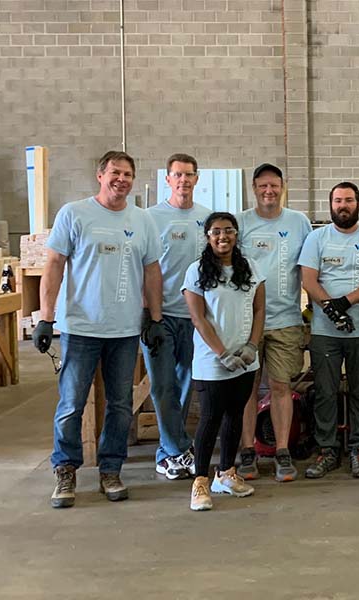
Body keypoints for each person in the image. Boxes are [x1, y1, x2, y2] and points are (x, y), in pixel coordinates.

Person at [35, 150, 163, 508]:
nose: (121, 180)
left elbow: (152, 270)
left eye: (128, 175)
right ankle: (65, 470)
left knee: (120, 405)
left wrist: (154, 318)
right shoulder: (74, 214)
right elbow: (54, 264)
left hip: (123, 330)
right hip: (81, 328)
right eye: (115, 173)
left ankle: (111, 469)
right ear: (100, 175)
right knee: (71, 403)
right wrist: (46, 317)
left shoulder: (142, 220)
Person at [235, 163, 312, 483]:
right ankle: (247, 451)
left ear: (283, 187)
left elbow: (309, 267)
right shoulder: (239, 223)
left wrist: (313, 311)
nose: (269, 191)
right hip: (245, 322)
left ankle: (282, 452)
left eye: (275, 186)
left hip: (286, 320)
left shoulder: (299, 222)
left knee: (281, 387)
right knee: (246, 390)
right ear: (254, 188)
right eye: (263, 186)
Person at [182, 212, 264, 511]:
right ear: (207, 236)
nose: (222, 236)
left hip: (244, 360)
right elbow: (198, 317)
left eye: (228, 230)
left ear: (236, 234)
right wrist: (221, 353)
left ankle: (226, 474)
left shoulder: (251, 267)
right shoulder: (196, 271)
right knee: (210, 418)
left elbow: (259, 309)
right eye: (216, 231)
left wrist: (252, 345)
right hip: (212, 361)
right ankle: (201, 481)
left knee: (235, 416)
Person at [298, 182, 359, 479]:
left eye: (348, 200)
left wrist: (344, 302)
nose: (342, 205)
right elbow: (308, 278)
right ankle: (328, 450)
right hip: (325, 332)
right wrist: (329, 308)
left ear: (358, 204)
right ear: (330, 204)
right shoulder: (316, 238)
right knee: (326, 393)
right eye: (337, 201)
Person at [143, 153, 211, 480]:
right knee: (161, 386)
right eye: (177, 175)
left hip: (195, 317)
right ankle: (177, 450)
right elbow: (142, 266)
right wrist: (148, 314)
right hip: (161, 315)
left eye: (189, 175)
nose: (183, 180)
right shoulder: (150, 218)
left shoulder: (207, 218)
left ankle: (168, 453)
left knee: (186, 384)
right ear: (167, 179)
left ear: (197, 179)